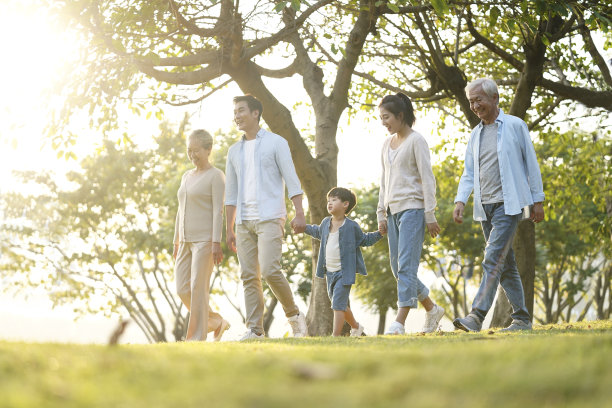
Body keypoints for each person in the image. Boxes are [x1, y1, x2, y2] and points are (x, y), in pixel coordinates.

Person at [452, 78, 545, 332]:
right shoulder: (476, 134)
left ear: (495, 98)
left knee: (492, 258)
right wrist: (461, 200)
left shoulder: (515, 126)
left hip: (509, 204)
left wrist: (538, 200)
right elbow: (468, 172)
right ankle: (523, 319)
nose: (474, 105)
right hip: (485, 208)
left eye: (478, 99)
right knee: (506, 265)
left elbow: (531, 165)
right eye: (471, 101)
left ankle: (476, 316)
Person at [225, 94, 308, 340]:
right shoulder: (233, 151)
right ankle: (256, 330)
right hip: (243, 222)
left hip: (270, 216)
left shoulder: (276, 143)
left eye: (241, 110)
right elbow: (231, 192)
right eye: (235, 111)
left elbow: (292, 178)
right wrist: (228, 228)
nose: (237, 116)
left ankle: (294, 316)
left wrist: (299, 211)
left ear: (255, 113)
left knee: (271, 271)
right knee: (249, 276)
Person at [377, 93, 445, 335]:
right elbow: (384, 181)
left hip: (413, 210)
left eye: (386, 117)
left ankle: (399, 322)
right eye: (381, 118)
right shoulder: (386, 144)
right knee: (398, 269)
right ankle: (432, 308)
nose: (383, 122)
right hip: (393, 211)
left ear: (400, 115)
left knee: (406, 267)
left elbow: (428, 179)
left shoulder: (417, 141)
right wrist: (380, 213)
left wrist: (430, 214)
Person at [173, 129, 230, 341]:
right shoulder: (186, 176)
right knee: (181, 288)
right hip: (185, 240)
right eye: (189, 150)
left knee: (198, 287)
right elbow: (181, 209)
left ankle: (195, 338)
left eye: (196, 150)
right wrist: (176, 240)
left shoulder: (216, 176)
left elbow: (218, 210)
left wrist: (217, 241)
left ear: (208, 150)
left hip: (205, 240)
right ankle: (215, 321)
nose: (192, 155)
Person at [303, 187, 383, 337]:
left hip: (344, 273)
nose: (329, 203)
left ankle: (335, 336)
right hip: (330, 273)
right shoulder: (326, 223)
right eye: (328, 200)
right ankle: (356, 327)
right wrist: (304, 227)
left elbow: (365, 239)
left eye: (334, 200)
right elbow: (316, 231)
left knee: (338, 305)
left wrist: (380, 234)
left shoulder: (352, 226)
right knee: (339, 304)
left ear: (345, 204)